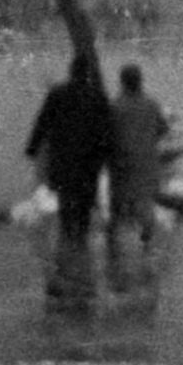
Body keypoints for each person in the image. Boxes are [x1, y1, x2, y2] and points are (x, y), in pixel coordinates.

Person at [23, 49, 123, 250]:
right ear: (87, 73)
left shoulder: (58, 94)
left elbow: (43, 122)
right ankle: (81, 237)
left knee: (67, 198)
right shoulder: (97, 96)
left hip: (64, 158)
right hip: (89, 160)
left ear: (71, 71)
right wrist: (110, 156)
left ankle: (70, 237)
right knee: (85, 199)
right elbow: (107, 129)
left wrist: (32, 147)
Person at [105, 60, 170, 243]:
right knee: (145, 199)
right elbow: (163, 129)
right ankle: (147, 235)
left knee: (118, 198)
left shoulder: (115, 106)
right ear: (140, 81)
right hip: (147, 160)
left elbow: (107, 134)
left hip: (122, 160)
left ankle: (113, 239)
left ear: (122, 82)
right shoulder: (152, 104)